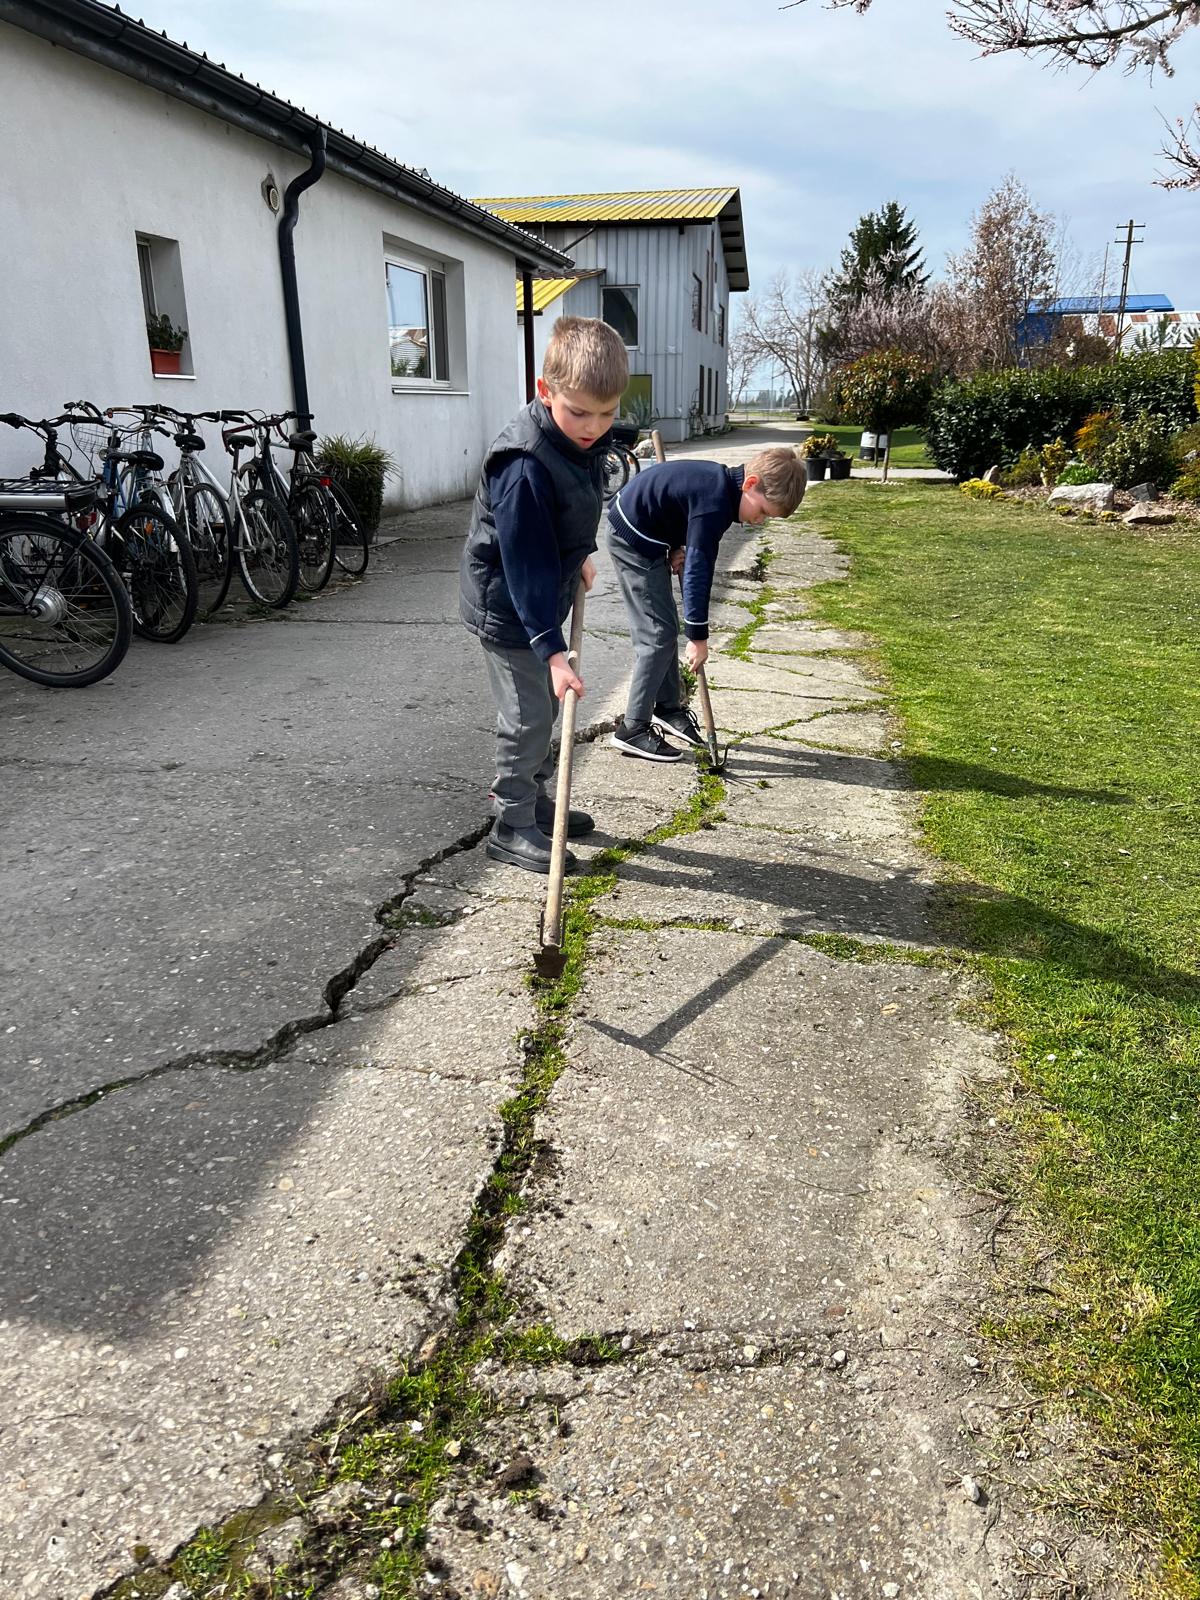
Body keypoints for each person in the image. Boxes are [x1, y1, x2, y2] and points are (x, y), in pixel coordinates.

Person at [460, 316, 629, 872]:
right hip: (509, 604)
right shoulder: (524, 463)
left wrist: (578, 555)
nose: (594, 427)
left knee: (548, 707)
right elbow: (526, 561)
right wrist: (553, 654)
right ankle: (511, 823)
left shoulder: (577, 441)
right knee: (529, 714)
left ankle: (533, 800)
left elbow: (566, 514)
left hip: (539, 596)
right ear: (545, 390)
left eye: (607, 414)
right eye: (579, 412)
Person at [606, 447, 808, 760]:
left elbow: (677, 505)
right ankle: (632, 728)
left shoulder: (721, 491)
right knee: (657, 635)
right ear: (750, 483)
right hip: (633, 536)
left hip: (653, 528)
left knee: (665, 629)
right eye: (763, 512)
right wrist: (697, 638)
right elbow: (699, 570)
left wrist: (676, 542)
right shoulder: (715, 504)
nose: (759, 521)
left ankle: (668, 709)